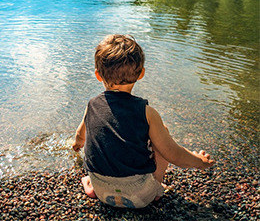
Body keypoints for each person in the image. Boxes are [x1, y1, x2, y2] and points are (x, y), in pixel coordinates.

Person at [72, 34, 215, 209]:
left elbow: (80, 136)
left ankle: (90, 185)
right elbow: (173, 154)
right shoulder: (147, 112)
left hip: (102, 192)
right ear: (141, 74)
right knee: (162, 131)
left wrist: (77, 145)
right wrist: (200, 161)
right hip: (140, 196)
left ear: (98, 75)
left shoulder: (92, 105)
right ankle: (157, 188)